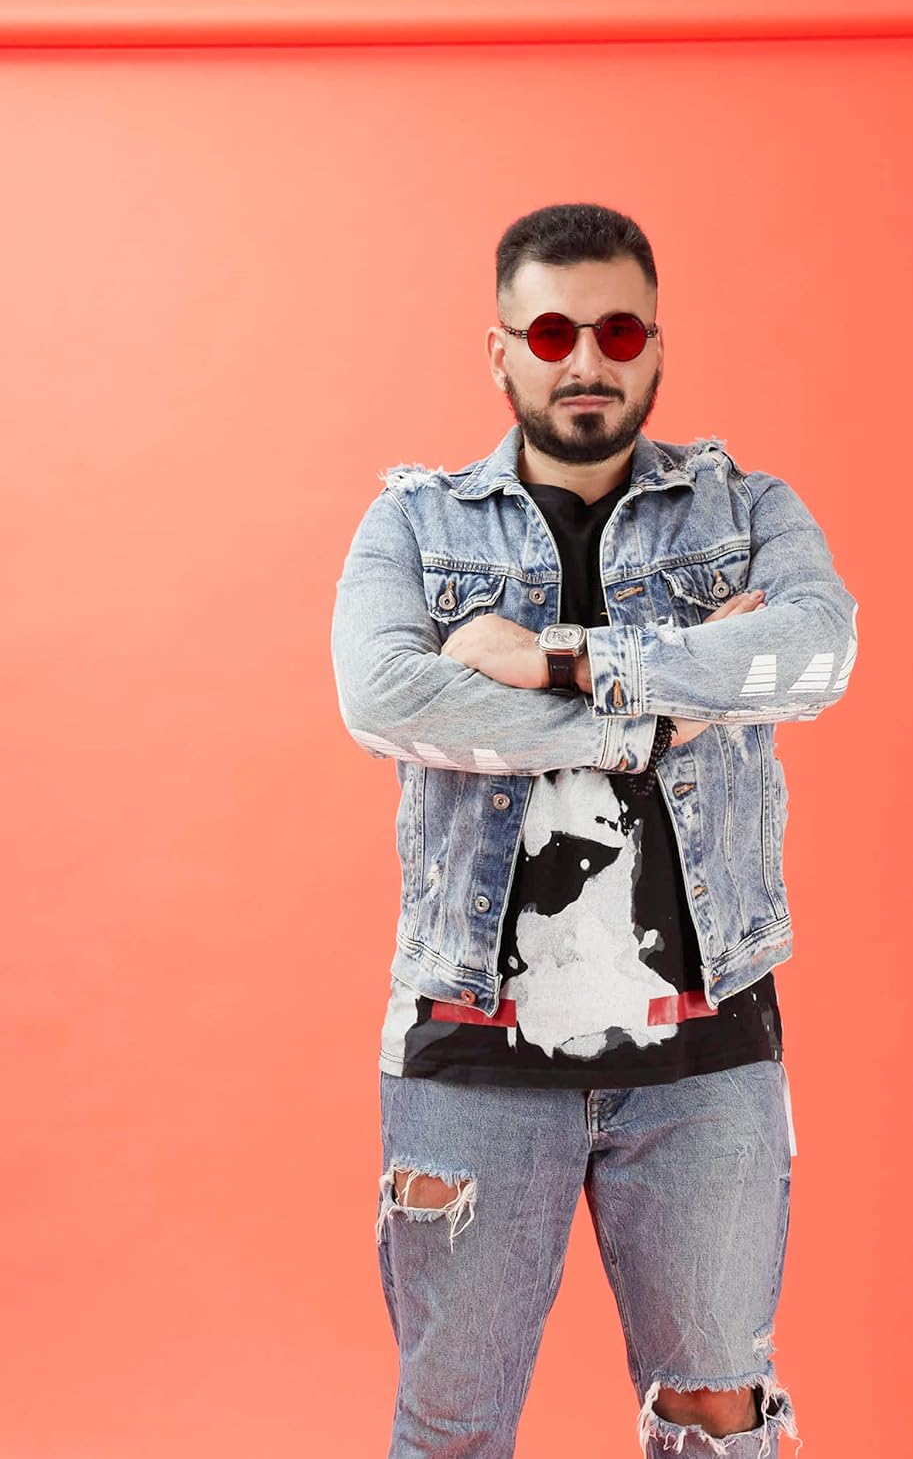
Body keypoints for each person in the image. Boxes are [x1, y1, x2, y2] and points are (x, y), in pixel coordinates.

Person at [331, 202, 859, 1459]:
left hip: (706, 1055)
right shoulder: (415, 524)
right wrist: (660, 714)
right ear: (501, 350)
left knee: (719, 1415)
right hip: (471, 1055)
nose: (587, 360)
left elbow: (818, 652)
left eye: (619, 331)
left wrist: (558, 661)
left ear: (656, 346)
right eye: (553, 332)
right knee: (451, 1430)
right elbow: (384, 695)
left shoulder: (744, 509)